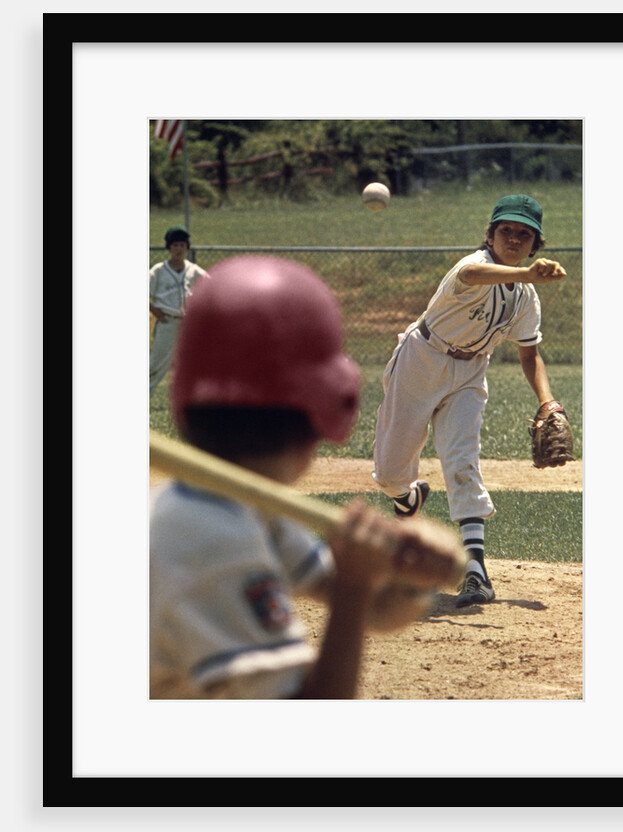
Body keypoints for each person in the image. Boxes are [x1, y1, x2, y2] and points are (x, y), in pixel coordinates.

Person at [149, 254, 462, 700]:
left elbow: (377, 609)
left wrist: (411, 581)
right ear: (323, 408)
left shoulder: (225, 508)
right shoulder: (214, 542)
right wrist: (353, 586)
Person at [371, 194, 568, 608]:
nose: (513, 239)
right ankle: (407, 497)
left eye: (524, 234)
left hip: (471, 371)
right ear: (490, 235)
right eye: (505, 230)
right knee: (389, 472)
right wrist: (528, 273)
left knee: (462, 460)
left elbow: (529, 355)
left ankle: (475, 571)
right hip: (422, 359)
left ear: (536, 244)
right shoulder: (472, 266)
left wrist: (548, 402)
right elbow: (473, 275)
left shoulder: (525, 298)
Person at [149, 226, 209, 395]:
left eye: (182, 245)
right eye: (175, 245)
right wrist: (154, 311)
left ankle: (196, 400)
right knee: (155, 365)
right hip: (167, 322)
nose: (179, 249)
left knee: (197, 363)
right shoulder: (159, 270)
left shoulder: (193, 270)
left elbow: (212, 286)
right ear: (169, 247)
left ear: (187, 247)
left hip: (189, 324)